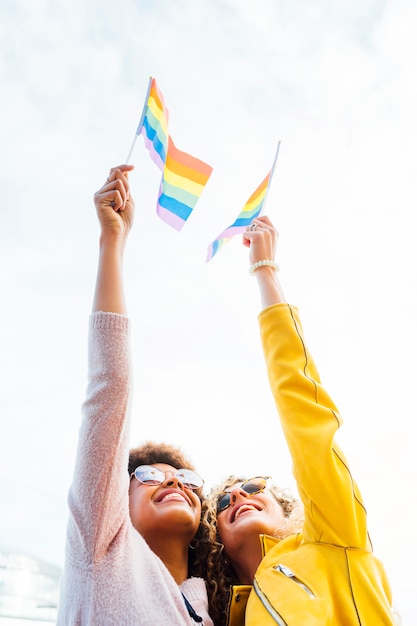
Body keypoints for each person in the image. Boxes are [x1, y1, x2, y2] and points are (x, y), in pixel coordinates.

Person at [203, 215, 396, 626]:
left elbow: (303, 413)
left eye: (254, 486)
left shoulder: (332, 534)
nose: (237, 497)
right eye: (222, 501)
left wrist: (265, 271)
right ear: (214, 539)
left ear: (290, 509)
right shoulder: (220, 614)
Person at [56, 164, 213, 626]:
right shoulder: (99, 546)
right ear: (114, 498)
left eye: (187, 481)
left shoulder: (212, 609)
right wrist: (112, 243)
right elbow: (110, 390)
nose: (174, 482)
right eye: (147, 474)